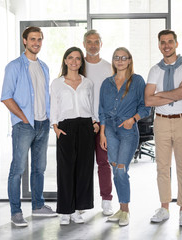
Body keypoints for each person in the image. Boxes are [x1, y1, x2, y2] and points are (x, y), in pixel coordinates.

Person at [0, 26, 57, 227]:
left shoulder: (44, 67)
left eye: (39, 39)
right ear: (24, 41)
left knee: (39, 168)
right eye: (32, 39)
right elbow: (6, 97)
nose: (36, 43)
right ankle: (16, 212)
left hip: (43, 124)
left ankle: (38, 206)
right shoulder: (14, 66)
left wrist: (49, 119)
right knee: (17, 169)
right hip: (25, 126)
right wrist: (24, 118)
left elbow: (46, 97)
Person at [145, 29, 182, 227]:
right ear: (159, 45)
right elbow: (148, 100)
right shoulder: (154, 70)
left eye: (170, 42)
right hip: (162, 121)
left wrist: (162, 95)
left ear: (176, 43)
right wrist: (174, 94)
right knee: (162, 167)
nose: (166, 45)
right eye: (163, 42)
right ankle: (164, 208)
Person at [99, 47, 150, 226]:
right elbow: (102, 111)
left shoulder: (137, 81)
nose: (120, 60)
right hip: (110, 130)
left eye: (123, 57)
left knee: (121, 170)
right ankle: (120, 209)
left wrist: (133, 119)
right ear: (113, 61)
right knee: (115, 170)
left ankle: (126, 211)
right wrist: (102, 133)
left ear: (129, 60)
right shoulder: (107, 83)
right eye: (116, 57)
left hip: (128, 130)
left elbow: (146, 107)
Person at [50, 47, 99, 225]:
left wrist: (94, 122)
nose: (74, 61)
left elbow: (91, 105)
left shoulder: (88, 83)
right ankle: (65, 210)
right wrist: (55, 127)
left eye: (78, 58)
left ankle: (78, 209)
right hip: (66, 127)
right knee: (65, 169)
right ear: (65, 61)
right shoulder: (57, 83)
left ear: (81, 62)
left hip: (86, 125)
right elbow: (54, 106)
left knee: (84, 169)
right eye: (70, 58)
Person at [83, 30, 113, 216]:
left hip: (104, 123)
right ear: (84, 44)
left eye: (96, 42)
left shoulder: (109, 67)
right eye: (89, 42)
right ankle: (82, 203)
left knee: (104, 162)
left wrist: (104, 121)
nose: (93, 45)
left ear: (101, 44)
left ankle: (107, 200)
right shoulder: (78, 65)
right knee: (84, 165)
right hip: (83, 122)